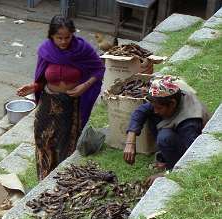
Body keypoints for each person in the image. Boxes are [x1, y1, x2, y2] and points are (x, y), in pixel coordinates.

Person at [16, 15, 105, 180]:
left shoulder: (82, 49)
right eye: (59, 38)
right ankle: (44, 177)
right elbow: (41, 78)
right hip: (49, 101)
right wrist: (33, 86)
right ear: (51, 36)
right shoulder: (46, 51)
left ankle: (63, 178)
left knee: (66, 142)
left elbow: (98, 70)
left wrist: (84, 86)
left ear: (73, 34)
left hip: (72, 103)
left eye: (67, 37)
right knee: (43, 139)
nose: (63, 42)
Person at [124, 75, 210, 184]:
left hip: (188, 142)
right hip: (177, 129)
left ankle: (172, 165)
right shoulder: (168, 98)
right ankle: (165, 157)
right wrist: (130, 142)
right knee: (150, 114)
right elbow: (140, 111)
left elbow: (195, 160)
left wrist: (167, 174)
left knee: (164, 137)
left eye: (159, 108)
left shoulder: (189, 124)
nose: (155, 110)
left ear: (172, 104)